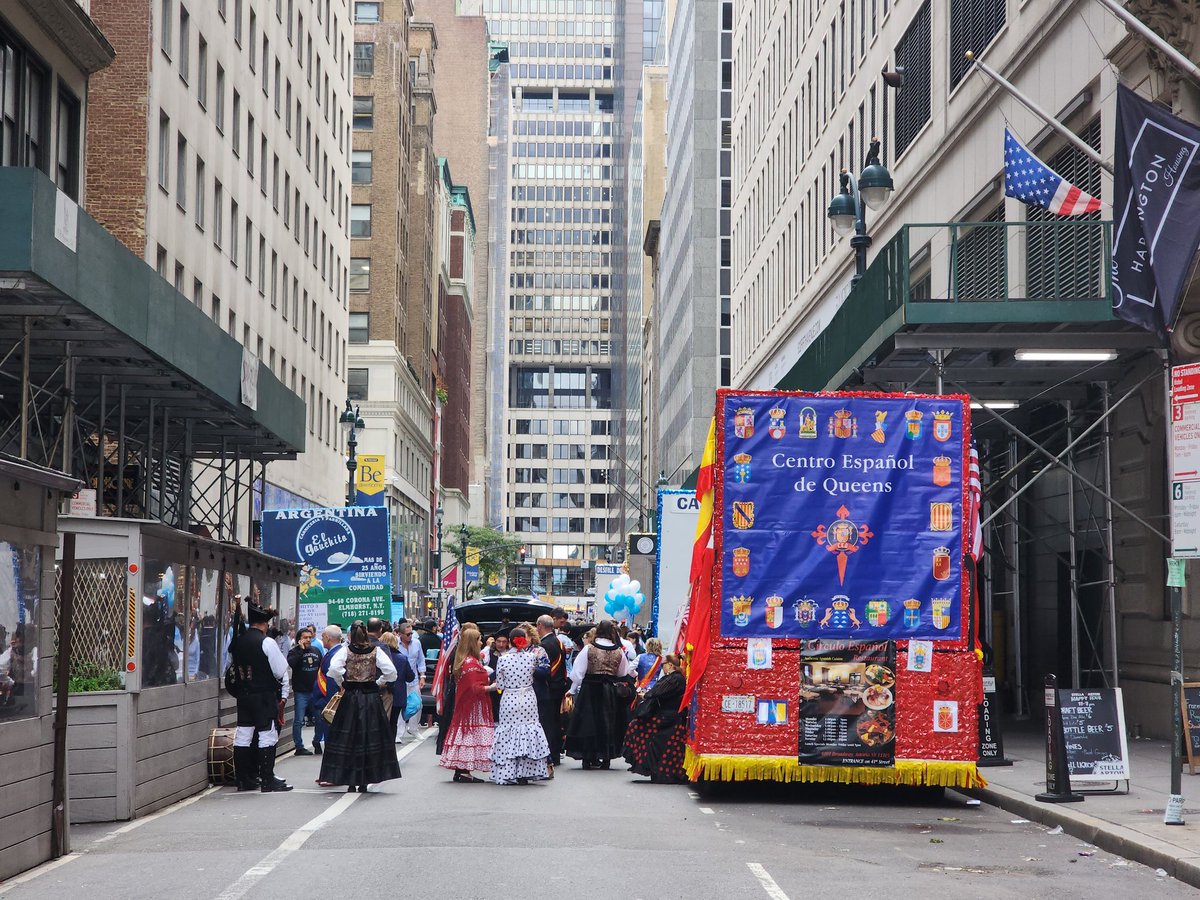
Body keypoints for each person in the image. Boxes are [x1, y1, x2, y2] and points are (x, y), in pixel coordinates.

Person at [318, 621, 400, 793]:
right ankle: (364, 781)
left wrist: (343, 682)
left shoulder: (345, 650)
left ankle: (350, 782)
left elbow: (333, 669)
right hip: (370, 698)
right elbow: (391, 673)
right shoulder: (376, 651)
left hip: (350, 698)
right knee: (370, 738)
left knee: (348, 739)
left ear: (351, 635)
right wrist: (378, 682)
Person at [229, 600, 293, 792]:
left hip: (244, 696)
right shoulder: (267, 642)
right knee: (267, 735)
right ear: (265, 624)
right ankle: (267, 779)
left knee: (243, 735)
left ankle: (243, 779)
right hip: (263, 695)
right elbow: (279, 670)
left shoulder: (239, 641)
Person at [486, 627, 551, 784]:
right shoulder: (531, 657)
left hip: (510, 698)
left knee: (508, 732)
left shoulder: (503, 659)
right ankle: (526, 772)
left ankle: (508, 771)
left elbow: (500, 684)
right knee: (528, 732)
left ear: (510, 641)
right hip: (528, 697)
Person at [565, 619, 632, 770]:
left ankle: (587, 758)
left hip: (590, 689)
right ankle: (606, 758)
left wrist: (574, 689)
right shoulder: (618, 650)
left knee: (588, 723)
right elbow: (623, 672)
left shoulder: (589, 649)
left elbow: (578, 672)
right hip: (610, 691)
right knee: (608, 723)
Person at [438, 629, 494, 783]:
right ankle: (463, 771)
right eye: (479, 640)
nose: (481, 643)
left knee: (465, 735)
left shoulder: (465, 660)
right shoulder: (470, 663)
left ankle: (461, 770)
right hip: (472, 706)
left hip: (466, 704)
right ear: (473, 643)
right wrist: (491, 687)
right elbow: (474, 688)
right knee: (469, 735)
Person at [622, 654, 689, 783]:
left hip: (667, 717)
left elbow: (656, 692)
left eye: (663, 664)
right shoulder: (675, 678)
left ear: (670, 665)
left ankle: (645, 763)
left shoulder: (674, 678)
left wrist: (645, 695)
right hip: (668, 716)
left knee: (636, 726)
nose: (662, 667)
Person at [535, 614, 569, 770]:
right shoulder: (558, 641)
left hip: (549, 687)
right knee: (555, 722)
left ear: (540, 626)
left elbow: (546, 669)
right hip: (559, 685)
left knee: (548, 723)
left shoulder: (544, 645)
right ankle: (555, 753)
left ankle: (550, 754)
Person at [287, 627, 323, 755]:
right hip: (301, 692)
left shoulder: (316, 650)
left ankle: (317, 741)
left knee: (319, 718)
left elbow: (322, 668)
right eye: (305, 637)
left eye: (310, 637)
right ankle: (299, 746)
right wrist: (301, 651)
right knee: (299, 720)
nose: (308, 640)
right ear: (299, 639)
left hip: (315, 691)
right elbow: (291, 663)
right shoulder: (294, 652)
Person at [379, 631, 415, 742]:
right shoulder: (402, 658)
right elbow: (410, 677)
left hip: (381, 693)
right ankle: (391, 744)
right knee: (393, 722)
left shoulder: (378, 657)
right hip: (398, 694)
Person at [396, 621, 426, 739]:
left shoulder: (416, 643)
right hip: (400, 680)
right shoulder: (396, 644)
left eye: (411, 633)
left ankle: (413, 728)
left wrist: (422, 676)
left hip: (413, 679)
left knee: (417, 704)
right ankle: (399, 732)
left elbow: (421, 660)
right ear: (400, 634)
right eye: (407, 634)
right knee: (400, 705)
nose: (410, 636)